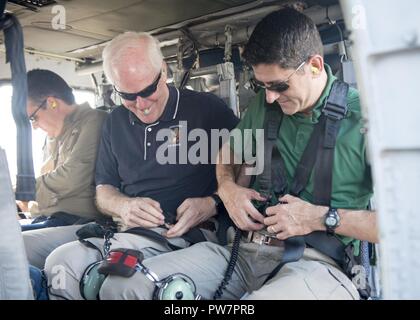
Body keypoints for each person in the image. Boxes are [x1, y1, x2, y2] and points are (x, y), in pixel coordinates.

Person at [69, 8, 377, 300]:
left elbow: (407, 226)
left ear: (315, 66)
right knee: (126, 286)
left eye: (279, 85)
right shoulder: (265, 104)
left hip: (317, 261)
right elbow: (229, 150)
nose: (269, 96)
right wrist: (227, 189)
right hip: (243, 252)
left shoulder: (368, 118)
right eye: (262, 85)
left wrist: (321, 217)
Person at [43, 32, 239, 300]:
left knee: (124, 285)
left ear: (164, 71)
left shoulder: (207, 110)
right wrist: (124, 205)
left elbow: (248, 166)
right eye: (128, 95)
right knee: (61, 263)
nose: (142, 104)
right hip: (127, 231)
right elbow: (104, 190)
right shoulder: (115, 122)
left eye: (148, 91)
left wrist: (213, 202)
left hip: (187, 234)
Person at [21, 69, 107, 268]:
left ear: (52, 102)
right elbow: (48, 182)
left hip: (79, 221)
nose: (34, 126)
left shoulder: (95, 121)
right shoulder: (52, 137)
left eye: (33, 118)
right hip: (47, 218)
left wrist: (22, 189)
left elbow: (71, 178)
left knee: (9, 245)